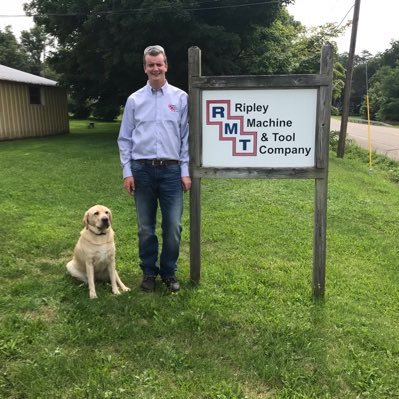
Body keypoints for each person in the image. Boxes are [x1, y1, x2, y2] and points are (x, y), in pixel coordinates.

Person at [117, 45, 191, 292]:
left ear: (166, 65)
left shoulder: (180, 98)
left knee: (173, 226)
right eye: (151, 64)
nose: (155, 68)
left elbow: (186, 138)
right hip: (142, 171)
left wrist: (185, 171)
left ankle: (169, 272)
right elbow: (125, 138)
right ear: (145, 67)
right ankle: (149, 272)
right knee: (145, 227)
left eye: (159, 64)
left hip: (171, 172)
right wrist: (127, 171)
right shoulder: (135, 100)